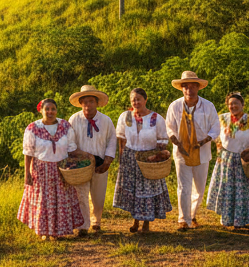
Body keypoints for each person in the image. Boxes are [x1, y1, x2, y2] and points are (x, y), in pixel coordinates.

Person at [18, 98, 88, 240]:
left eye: (53, 109)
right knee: (44, 202)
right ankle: (44, 232)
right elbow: (28, 153)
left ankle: (58, 232)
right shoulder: (33, 128)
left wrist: (86, 158)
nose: (50, 112)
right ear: (41, 110)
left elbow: (71, 148)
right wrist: (27, 173)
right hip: (41, 169)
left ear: (56, 110)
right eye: (47, 109)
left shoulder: (65, 126)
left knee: (60, 201)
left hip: (61, 169)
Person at [165, 70, 221, 231]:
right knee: (184, 187)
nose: (189, 90)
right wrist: (177, 142)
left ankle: (192, 214)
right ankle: (183, 219)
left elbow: (215, 128)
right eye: (186, 87)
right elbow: (169, 127)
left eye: (192, 86)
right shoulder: (175, 106)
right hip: (181, 152)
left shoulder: (208, 106)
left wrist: (203, 141)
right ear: (182, 89)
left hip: (202, 152)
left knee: (199, 188)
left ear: (198, 88)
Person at [206, 91, 249, 229]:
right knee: (227, 190)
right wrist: (219, 148)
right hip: (226, 160)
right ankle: (226, 219)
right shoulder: (222, 119)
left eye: (236, 103)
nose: (233, 106)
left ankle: (241, 221)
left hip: (244, 159)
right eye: (230, 104)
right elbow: (216, 136)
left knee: (242, 191)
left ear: (242, 104)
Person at [113, 87, 172, 233]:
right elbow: (121, 139)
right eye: (133, 99)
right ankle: (136, 221)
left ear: (145, 100)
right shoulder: (125, 116)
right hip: (130, 158)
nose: (136, 102)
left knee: (147, 192)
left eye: (139, 99)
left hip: (149, 159)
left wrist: (157, 156)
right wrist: (122, 159)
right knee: (135, 192)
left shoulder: (156, 118)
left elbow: (163, 140)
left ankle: (146, 223)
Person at [68, 85, 117, 236]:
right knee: (81, 194)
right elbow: (69, 141)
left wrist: (108, 160)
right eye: (85, 102)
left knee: (98, 194)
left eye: (91, 101)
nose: (88, 105)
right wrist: (79, 156)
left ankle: (96, 221)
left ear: (96, 103)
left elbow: (112, 140)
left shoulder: (106, 120)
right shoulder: (74, 119)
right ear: (81, 103)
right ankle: (83, 226)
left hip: (100, 161)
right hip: (81, 163)